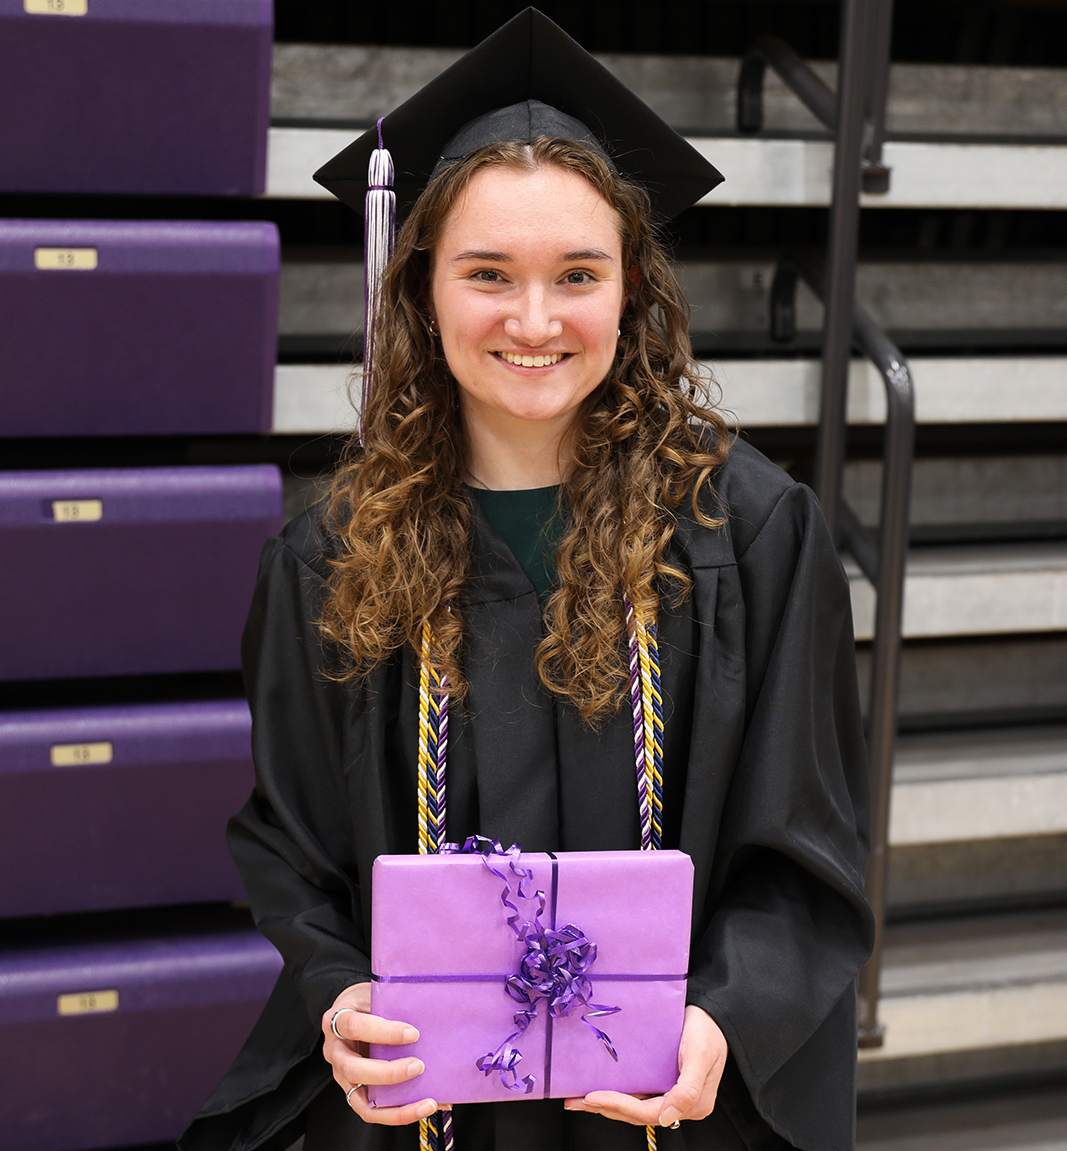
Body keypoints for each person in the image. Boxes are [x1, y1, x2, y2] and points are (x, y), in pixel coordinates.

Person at [180, 10, 873, 1151]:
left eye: (578, 274)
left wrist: (724, 1020)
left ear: (632, 289)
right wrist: (340, 997)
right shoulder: (329, 559)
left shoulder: (749, 536)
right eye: (488, 273)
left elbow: (805, 844)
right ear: (421, 287)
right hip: (428, 1110)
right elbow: (294, 851)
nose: (534, 319)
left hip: (666, 1107)